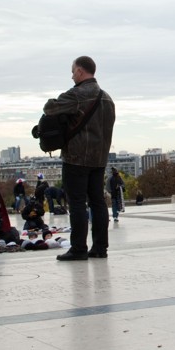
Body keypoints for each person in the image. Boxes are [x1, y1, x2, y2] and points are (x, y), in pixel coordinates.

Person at [47, 55, 117, 262]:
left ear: (80, 71)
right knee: (98, 202)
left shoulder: (76, 95)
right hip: (99, 159)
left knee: (76, 202)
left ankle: (78, 248)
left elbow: (50, 108)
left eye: (73, 71)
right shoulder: (107, 98)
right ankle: (100, 248)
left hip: (76, 157)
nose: (71, 76)